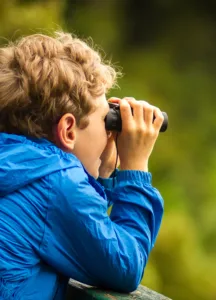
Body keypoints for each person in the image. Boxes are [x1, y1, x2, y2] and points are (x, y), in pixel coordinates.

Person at [0, 31, 165, 299]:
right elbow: (126, 265)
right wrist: (136, 169)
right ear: (68, 130)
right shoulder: (56, 183)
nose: (110, 130)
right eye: (105, 119)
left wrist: (104, 176)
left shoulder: (20, 164)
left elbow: (78, 231)